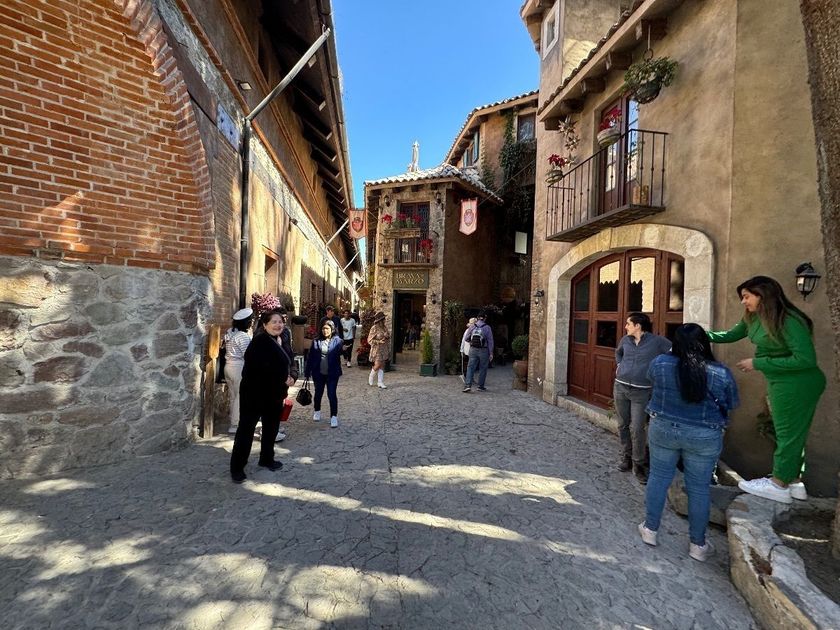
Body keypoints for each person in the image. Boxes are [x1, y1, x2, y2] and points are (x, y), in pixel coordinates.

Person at [707, 275, 826, 504]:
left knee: (788, 434)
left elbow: (805, 359)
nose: (743, 302)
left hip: (797, 383)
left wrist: (758, 363)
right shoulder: (753, 318)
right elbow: (730, 335)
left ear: (763, 295)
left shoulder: (788, 320)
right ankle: (794, 482)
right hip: (781, 382)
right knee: (790, 433)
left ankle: (778, 484)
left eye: (746, 296)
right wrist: (699, 334)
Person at [639, 323, 739, 561]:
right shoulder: (721, 372)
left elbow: (651, 379)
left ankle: (650, 530)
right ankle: (697, 544)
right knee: (699, 488)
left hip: (664, 428)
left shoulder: (660, 364)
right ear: (704, 344)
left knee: (658, 477)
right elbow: (731, 402)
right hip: (703, 435)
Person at [230, 310, 295, 484]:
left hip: (275, 394)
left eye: (280, 322)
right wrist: (282, 378)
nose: (278, 325)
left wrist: (292, 376)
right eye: (274, 322)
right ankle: (237, 467)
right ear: (265, 325)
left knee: (271, 428)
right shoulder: (259, 342)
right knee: (246, 430)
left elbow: (290, 360)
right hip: (255, 394)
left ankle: (266, 458)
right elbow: (258, 368)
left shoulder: (283, 339)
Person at [614, 312, 672, 484]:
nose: (626, 327)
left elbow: (674, 353)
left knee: (638, 428)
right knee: (622, 424)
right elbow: (618, 353)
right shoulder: (625, 340)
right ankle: (626, 456)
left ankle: (638, 464)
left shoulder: (657, 342)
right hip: (621, 387)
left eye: (628, 324)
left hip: (642, 392)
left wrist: (660, 372)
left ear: (638, 326)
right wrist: (619, 365)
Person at [305, 320, 344, 428]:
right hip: (318, 373)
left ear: (332, 329)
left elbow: (341, 352)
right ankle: (317, 411)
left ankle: (333, 416)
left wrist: (344, 349)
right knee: (318, 393)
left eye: (327, 328)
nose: (325, 331)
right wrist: (307, 372)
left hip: (332, 373)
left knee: (331, 394)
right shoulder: (316, 341)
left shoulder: (338, 341)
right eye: (323, 328)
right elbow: (310, 357)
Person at [223, 308, 253, 436]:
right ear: (247, 322)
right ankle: (235, 424)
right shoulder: (242, 336)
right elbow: (248, 355)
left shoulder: (230, 333)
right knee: (240, 396)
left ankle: (234, 420)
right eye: (251, 320)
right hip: (238, 367)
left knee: (233, 395)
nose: (252, 322)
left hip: (228, 366)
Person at [462, 311, 494, 393]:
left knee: (470, 367)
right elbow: (490, 341)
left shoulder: (472, 326)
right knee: (483, 368)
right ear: (485, 318)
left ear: (478, 318)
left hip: (473, 349)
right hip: (484, 350)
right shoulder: (487, 328)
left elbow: (466, 338)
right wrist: (491, 353)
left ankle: (467, 385)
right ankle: (480, 386)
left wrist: (471, 342)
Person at [367, 311, 390, 389]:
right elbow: (369, 340)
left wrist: (387, 336)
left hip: (384, 349)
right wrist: (378, 341)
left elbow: (388, 336)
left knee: (382, 365)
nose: (385, 320)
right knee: (377, 365)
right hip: (377, 349)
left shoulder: (384, 327)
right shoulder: (374, 328)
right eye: (384, 319)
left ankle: (380, 382)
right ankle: (371, 376)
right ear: (380, 320)